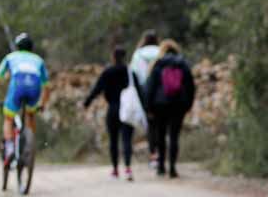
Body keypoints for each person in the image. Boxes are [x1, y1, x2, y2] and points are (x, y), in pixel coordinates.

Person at [0, 32, 51, 168]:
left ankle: (9, 149)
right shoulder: (38, 60)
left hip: (18, 86)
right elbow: (47, 87)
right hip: (34, 88)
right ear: (31, 47)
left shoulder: (11, 57)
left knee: (9, 118)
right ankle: (29, 146)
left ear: (17, 46)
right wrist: (42, 104)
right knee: (30, 115)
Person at [143, 39, 195, 179]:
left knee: (161, 136)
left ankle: (161, 167)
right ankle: (172, 167)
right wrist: (188, 104)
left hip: (160, 105)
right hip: (178, 104)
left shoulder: (158, 64)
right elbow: (190, 86)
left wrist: (148, 107)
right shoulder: (183, 64)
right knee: (174, 136)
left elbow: (150, 87)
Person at [83, 46, 135, 181]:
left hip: (113, 108)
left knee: (113, 140)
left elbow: (97, 88)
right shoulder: (129, 72)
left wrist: (87, 102)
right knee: (127, 139)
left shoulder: (108, 72)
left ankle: (115, 170)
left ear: (113, 56)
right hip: (128, 109)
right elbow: (138, 90)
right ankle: (128, 168)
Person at [129, 30, 161, 168]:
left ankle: (153, 155)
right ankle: (162, 154)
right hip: (161, 92)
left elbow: (133, 76)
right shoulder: (161, 51)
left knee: (151, 125)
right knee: (162, 125)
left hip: (145, 93)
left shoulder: (138, 54)